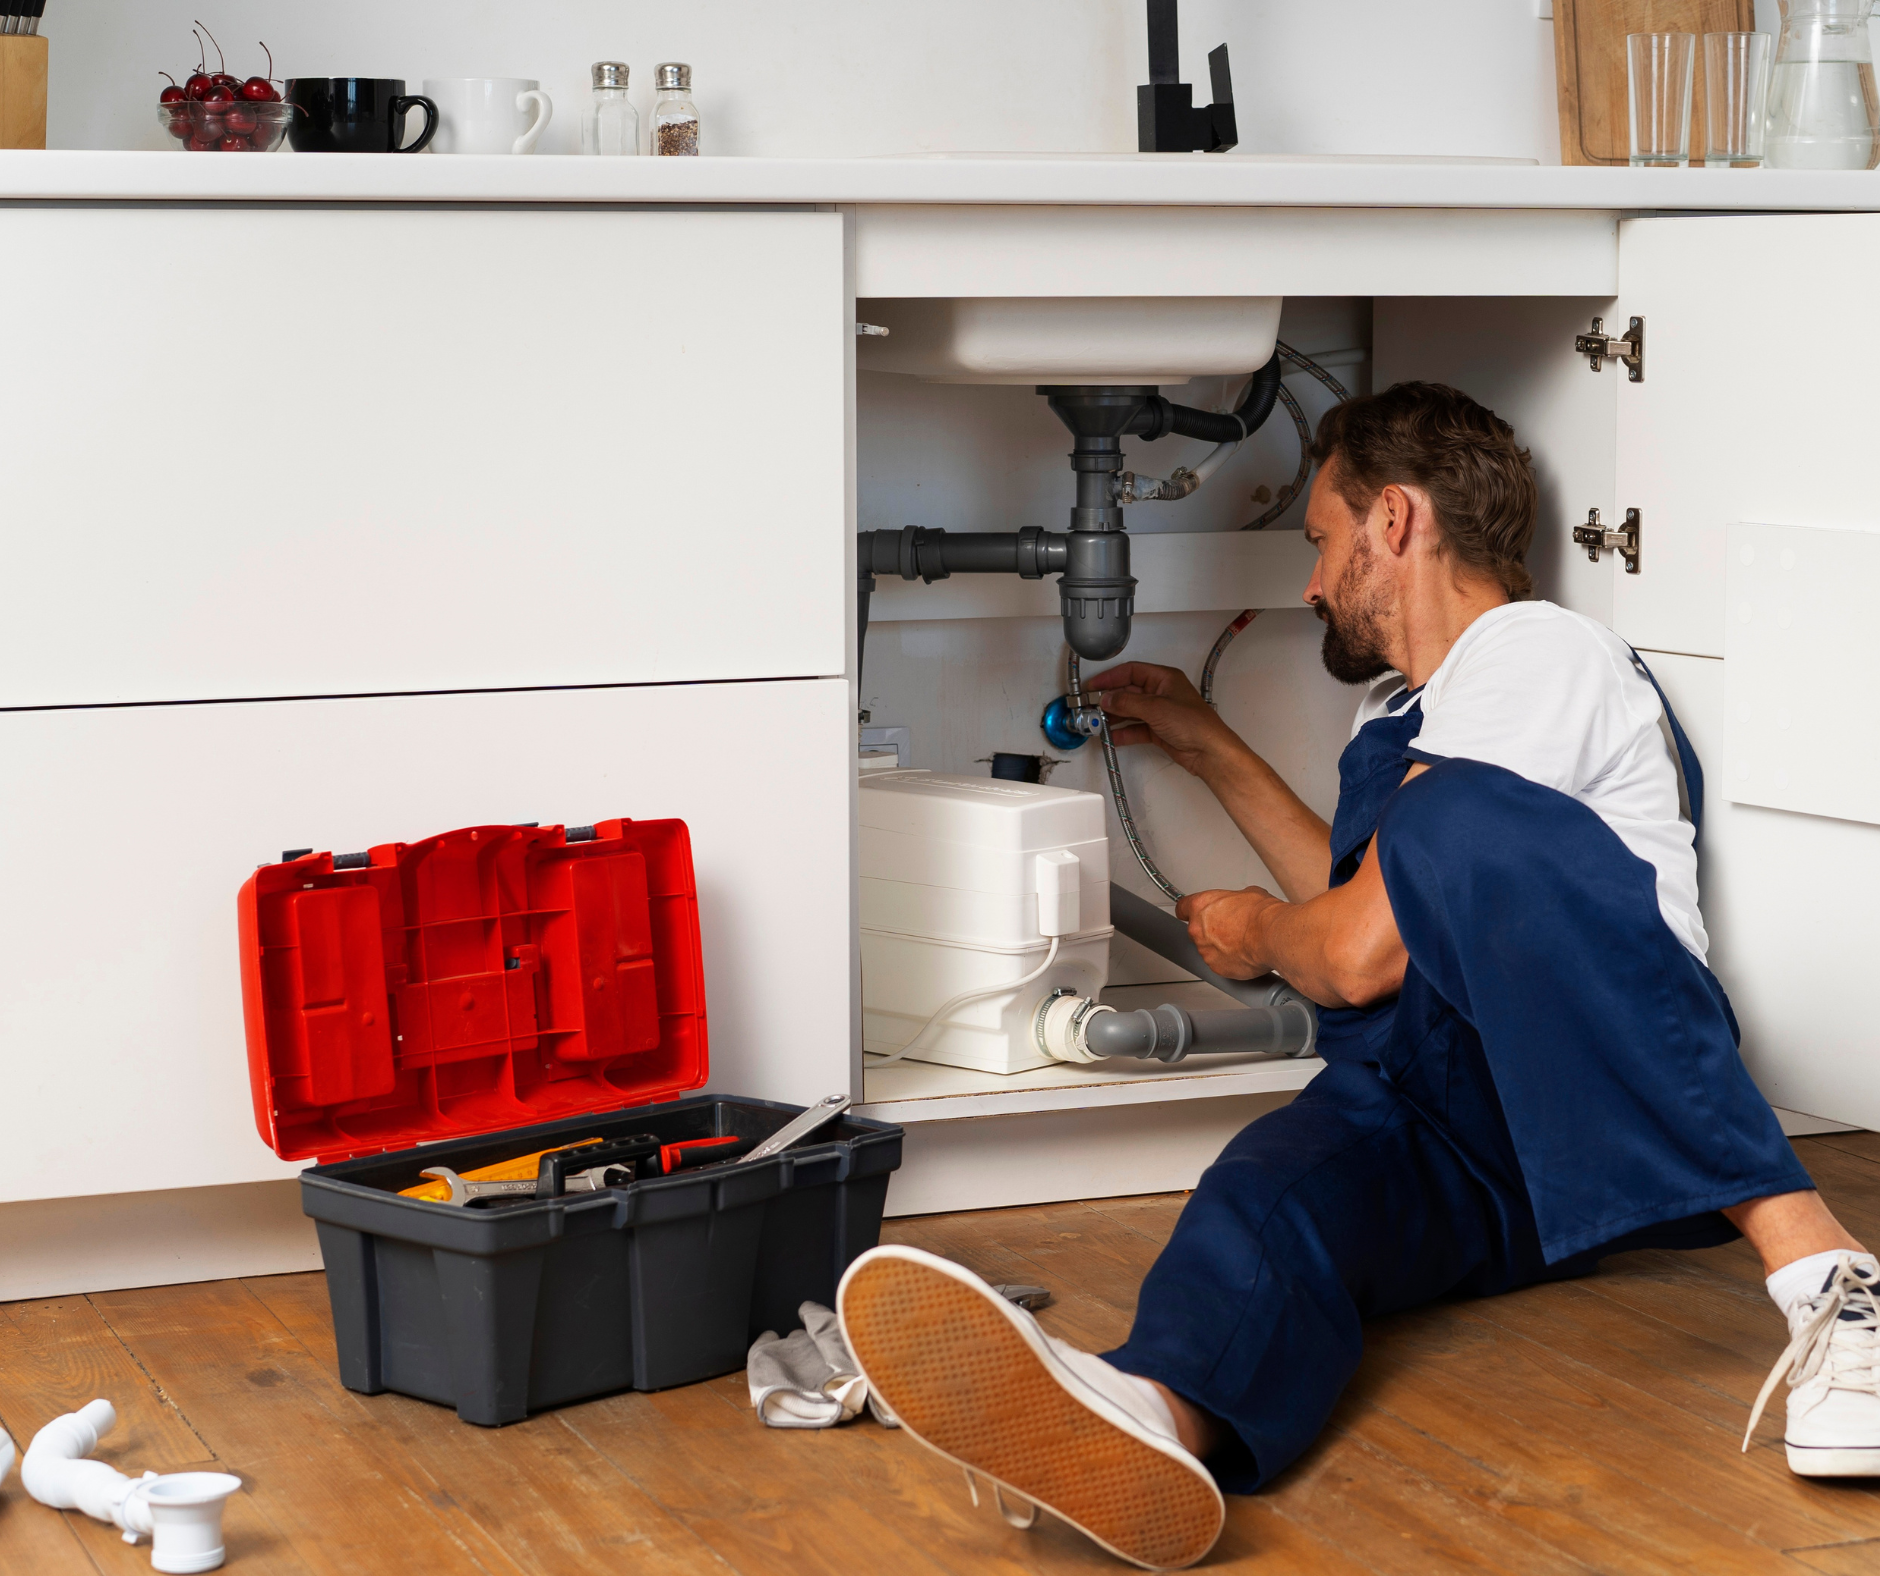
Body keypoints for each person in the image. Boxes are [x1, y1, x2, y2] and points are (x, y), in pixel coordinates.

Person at [835, 382, 1880, 1573]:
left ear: (1394, 519)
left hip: (1595, 1083)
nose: (1311, 583)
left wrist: (1260, 933)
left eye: (1321, 542)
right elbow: (1362, 904)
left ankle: (1831, 1277)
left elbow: (1352, 949)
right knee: (1269, 1197)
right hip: (1446, 1125)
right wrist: (1207, 745)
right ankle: (1150, 1415)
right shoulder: (1406, 711)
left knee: (1453, 832)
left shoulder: (1537, 655)